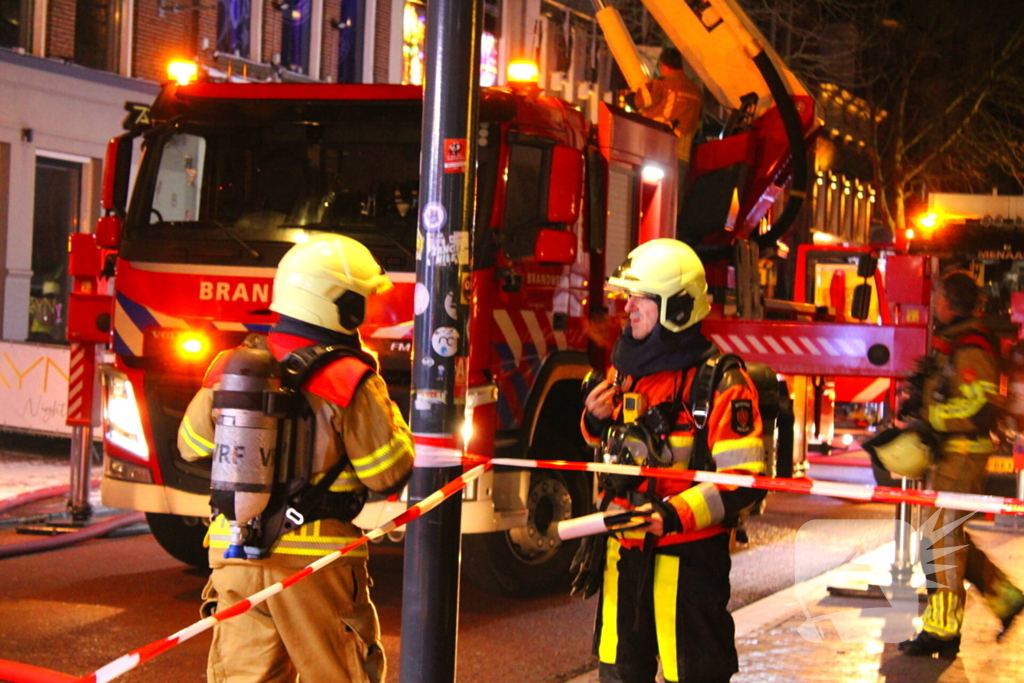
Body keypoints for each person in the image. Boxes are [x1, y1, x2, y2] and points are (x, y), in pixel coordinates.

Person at [178, 234, 415, 683]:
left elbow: (190, 445)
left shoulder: (231, 366)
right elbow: (387, 472)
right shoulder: (350, 378)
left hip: (233, 556)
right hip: (315, 565)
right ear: (339, 305)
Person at [578, 239, 766, 683]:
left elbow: (743, 483)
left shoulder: (722, 383)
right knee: (619, 675)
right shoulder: (627, 370)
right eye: (629, 297)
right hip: (623, 555)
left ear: (677, 308)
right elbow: (614, 445)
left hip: (688, 564)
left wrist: (671, 516)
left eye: (641, 298)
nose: (629, 308)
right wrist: (593, 418)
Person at [896, 270, 1024, 658]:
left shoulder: (970, 346)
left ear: (949, 302)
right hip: (952, 457)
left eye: (938, 298)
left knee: (942, 545)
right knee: (947, 541)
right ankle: (1005, 598)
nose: (935, 305)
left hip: (962, 457)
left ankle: (942, 632)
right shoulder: (959, 342)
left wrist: (931, 418)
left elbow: (979, 405)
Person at [635, 48, 703, 171]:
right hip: (682, 155)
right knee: (676, 189)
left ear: (663, 66)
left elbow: (640, 102)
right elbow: (698, 121)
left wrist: (644, 87)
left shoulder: (661, 85)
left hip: (658, 150)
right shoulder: (696, 90)